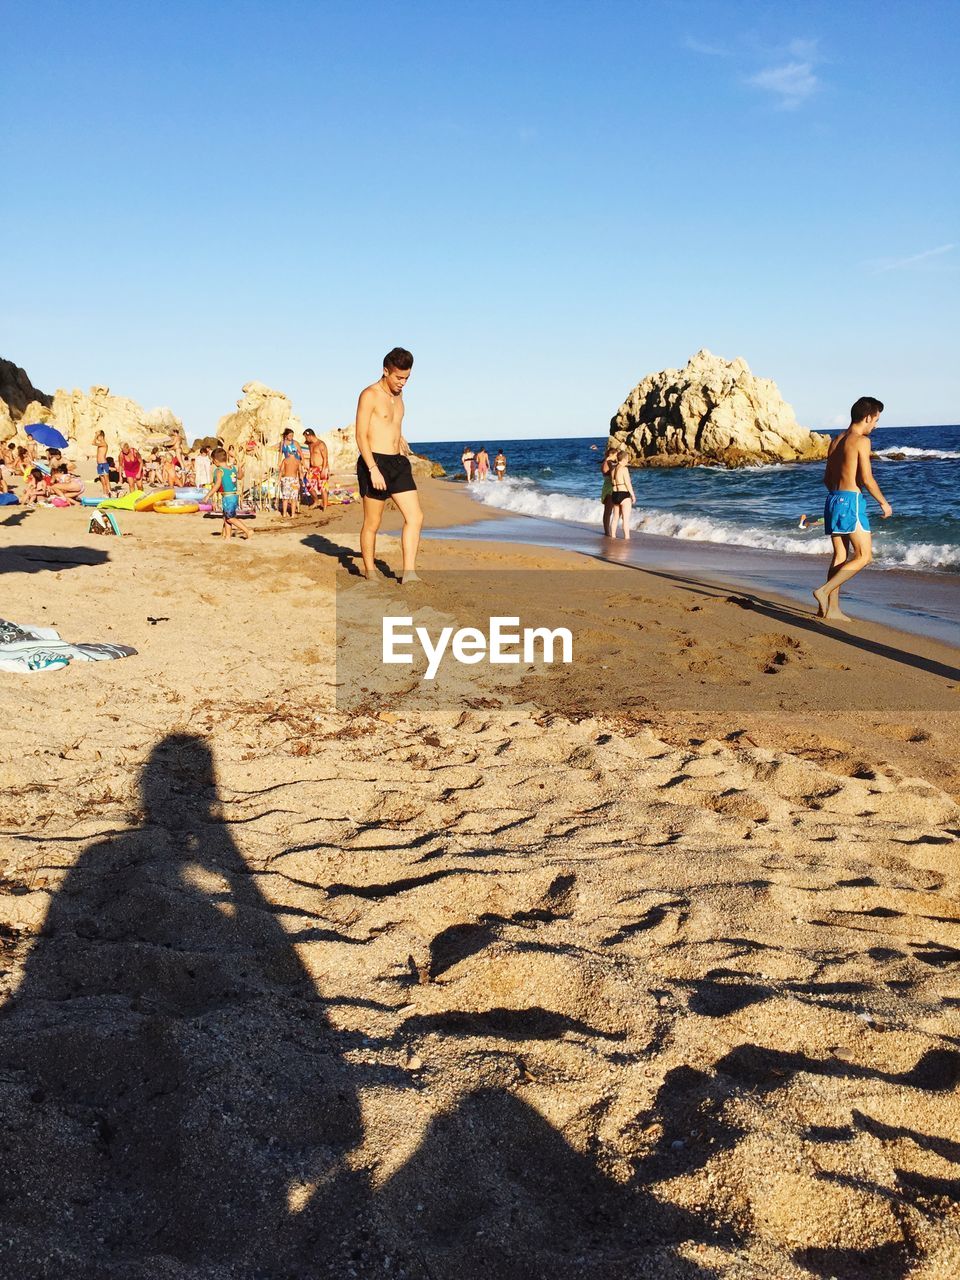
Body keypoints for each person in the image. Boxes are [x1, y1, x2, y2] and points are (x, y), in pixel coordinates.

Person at [813, 396, 891, 621]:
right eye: (876, 420)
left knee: (840, 555)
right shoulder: (861, 440)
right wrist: (883, 503)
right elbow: (867, 478)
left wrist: (839, 496)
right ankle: (824, 591)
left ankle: (829, 609)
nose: (875, 425)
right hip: (850, 502)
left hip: (832, 499)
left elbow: (827, 478)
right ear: (867, 417)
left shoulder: (836, 440)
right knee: (864, 556)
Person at [355, 346, 422, 583]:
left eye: (407, 378)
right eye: (398, 377)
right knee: (373, 523)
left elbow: (393, 425)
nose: (403, 382)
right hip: (375, 462)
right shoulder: (369, 395)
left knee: (416, 517)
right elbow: (361, 435)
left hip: (398, 463)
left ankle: (409, 572)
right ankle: (370, 571)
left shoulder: (399, 395)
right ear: (386, 371)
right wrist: (373, 469)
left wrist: (401, 443)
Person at [207, 447, 251, 540]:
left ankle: (247, 531)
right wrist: (239, 467)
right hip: (234, 495)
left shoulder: (219, 470)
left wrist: (208, 495)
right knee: (227, 517)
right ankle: (227, 536)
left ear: (215, 460)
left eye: (213, 461)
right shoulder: (232, 468)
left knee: (230, 518)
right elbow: (240, 476)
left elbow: (217, 485)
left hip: (228, 497)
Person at [609, 450, 635, 539]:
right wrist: (633, 495)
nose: (628, 460)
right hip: (624, 494)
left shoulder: (613, 469)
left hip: (615, 494)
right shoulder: (624, 469)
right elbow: (628, 483)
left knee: (615, 517)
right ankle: (627, 538)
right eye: (627, 458)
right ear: (624, 458)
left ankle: (612, 536)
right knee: (625, 519)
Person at [277, 428, 303, 518]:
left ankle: (293, 510)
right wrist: (279, 462)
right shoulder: (282, 444)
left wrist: (301, 462)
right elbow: (280, 454)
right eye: (290, 435)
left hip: (295, 463)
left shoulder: (295, 443)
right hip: (287, 464)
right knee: (289, 493)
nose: (292, 437)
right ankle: (290, 512)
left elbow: (301, 453)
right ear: (286, 435)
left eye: (292, 435)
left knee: (293, 494)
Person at [303, 429, 330, 511]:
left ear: (310, 435)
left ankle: (324, 505)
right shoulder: (310, 445)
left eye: (306, 437)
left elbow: (325, 458)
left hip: (321, 467)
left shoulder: (321, 444)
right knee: (308, 485)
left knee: (323, 487)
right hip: (312, 468)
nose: (305, 439)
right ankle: (316, 501)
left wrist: (324, 469)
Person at [599, 447, 617, 536]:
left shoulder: (608, 463)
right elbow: (604, 471)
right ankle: (607, 532)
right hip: (609, 490)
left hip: (610, 489)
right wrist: (608, 459)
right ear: (612, 455)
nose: (616, 456)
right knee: (608, 511)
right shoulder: (608, 463)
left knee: (610, 511)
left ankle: (609, 531)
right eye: (615, 455)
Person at [94, 429, 111, 496]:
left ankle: (109, 492)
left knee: (106, 480)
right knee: (102, 481)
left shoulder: (104, 444)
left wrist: (96, 435)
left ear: (101, 436)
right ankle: (105, 494)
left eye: (98, 436)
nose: (97, 438)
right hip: (99, 464)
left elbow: (93, 443)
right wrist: (96, 434)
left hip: (104, 464)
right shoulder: (100, 444)